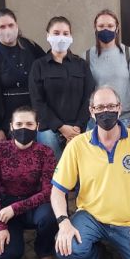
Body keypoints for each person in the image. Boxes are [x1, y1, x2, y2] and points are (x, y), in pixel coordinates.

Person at [51, 86, 130, 259]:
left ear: (120, 109)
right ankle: (94, 257)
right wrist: (63, 222)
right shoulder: (77, 145)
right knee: (66, 248)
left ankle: (126, 253)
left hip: (129, 222)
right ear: (92, 111)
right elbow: (58, 190)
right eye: (100, 107)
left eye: (111, 106)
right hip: (91, 217)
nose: (106, 111)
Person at [0, 106, 58, 259]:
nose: (24, 128)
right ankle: (10, 232)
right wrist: (1, 226)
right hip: (5, 207)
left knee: (49, 216)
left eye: (29, 124)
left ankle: (44, 250)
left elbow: (47, 192)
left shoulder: (46, 152)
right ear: (11, 126)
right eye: (19, 124)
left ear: (37, 126)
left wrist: (15, 208)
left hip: (34, 204)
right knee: (8, 256)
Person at [0, 8, 46, 143]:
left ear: (17, 26)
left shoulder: (31, 47)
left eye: (10, 25)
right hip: (4, 119)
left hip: (35, 117)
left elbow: (47, 71)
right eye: (2, 26)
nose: (7, 30)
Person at [29, 16, 95, 159]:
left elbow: (89, 97)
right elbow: (37, 101)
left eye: (65, 34)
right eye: (56, 33)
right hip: (49, 129)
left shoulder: (81, 64)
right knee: (55, 172)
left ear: (71, 36)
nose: (61, 37)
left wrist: (78, 126)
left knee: (84, 171)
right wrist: (61, 127)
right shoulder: (38, 66)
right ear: (48, 36)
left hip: (80, 128)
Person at [86, 9, 130, 130]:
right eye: (101, 26)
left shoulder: (128, 53)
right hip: (97, 122)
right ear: (95, 29)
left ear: (117, 28)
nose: (106, 29)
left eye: (110, 26)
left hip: (125, 120)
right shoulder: (87, 56)